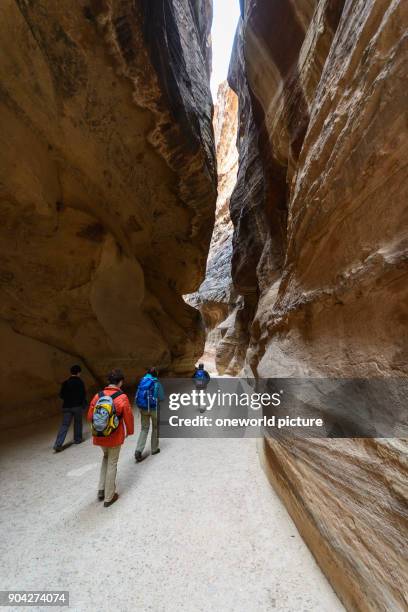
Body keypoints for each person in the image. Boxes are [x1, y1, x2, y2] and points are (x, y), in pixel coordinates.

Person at [87, 368, 134, 507]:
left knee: (106, 458)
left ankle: (101, 489)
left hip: (100, 435)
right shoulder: (122, 397)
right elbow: (128, 417)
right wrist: (130, 431)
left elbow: (90, 417)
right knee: (112, 462)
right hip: (114, 436)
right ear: (120, 382)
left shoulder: (98, 396)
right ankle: (109, 496)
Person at [54, 364, 87, 452]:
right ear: (79, 373)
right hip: (77, 406)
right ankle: (78, 439)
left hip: (67, 406)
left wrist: (68, 399)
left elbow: (61, 395)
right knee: (78, 423)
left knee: (64, 425)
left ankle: (58, 444)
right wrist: (84, 404)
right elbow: (83, 394)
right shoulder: (80, 382)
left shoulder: (65, 382)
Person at [134, 367, 164, 462]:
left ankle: (138, 450)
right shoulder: (156, 382)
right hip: (153, 408)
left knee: (144, 429)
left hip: (143, 408)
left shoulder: (142, 380)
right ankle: (154, 449)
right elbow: (161, 397)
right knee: (155, 428)